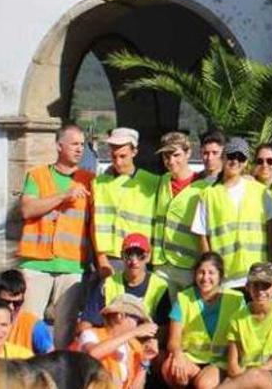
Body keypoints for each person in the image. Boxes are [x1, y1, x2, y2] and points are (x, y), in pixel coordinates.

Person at [16, 122, 93, 348]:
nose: (80, 149)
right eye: (74, 144)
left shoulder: (90, 180)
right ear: (59, 146)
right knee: (29, 324)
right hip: (36, 262)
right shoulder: (38, 176)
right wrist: (63, 196)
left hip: (72, 265)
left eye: (82, 145)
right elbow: (27, 209)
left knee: (66, 327)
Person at [194, 137, 272, 282]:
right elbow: (202, 236)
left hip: (257, 275)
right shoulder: (208, 194)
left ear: (246, 162)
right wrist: (211, 272)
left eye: (241, 158)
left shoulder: (261, 192)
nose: (235, 161)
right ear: (223, 158)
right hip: (225, 276)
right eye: (231, 156)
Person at [164, 252, 245, 389]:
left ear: (220, 275)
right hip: (193, 358)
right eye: (201, 272)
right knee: (169, 369)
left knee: (203, 384)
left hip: (222, 361)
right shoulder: (183, 298)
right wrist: (178, 355)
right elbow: (173, 339)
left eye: (211, 273)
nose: (205, 277)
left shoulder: (236, 299)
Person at [91, 127, 161, 278]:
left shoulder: (153, 183)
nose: (118, 162)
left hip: (139, 258)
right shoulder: (99, 183)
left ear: (134, 152)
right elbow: (93, 224)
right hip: (110, 258)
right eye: (113, 156)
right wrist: (101, 259)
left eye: (123, 156)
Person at [223, 262, 272, 387]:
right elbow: (233, 367)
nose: (260, 291)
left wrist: (260, 372)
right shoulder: (236, 319)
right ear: (247, 287)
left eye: (266, 286)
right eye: (255, 285)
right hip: (245, 374)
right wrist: (250, 376)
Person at [154, 131, 211, 297]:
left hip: (188, 266)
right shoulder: (161, 181)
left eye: (176, 155)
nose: (171, 161)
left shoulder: (203, 188)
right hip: (161, 264)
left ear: (188, 153)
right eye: (166, 155)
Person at [79, 233, 169, 334]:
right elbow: (85, 324)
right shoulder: (107, 284)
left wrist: (152, 340)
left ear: (148, 257)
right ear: (122, 256)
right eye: (128, 255)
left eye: (140, 255)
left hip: (144, 343)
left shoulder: (160, 286)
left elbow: (165, 330)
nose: (134, 261)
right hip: (112, 340)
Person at [74, 294, 157, 389]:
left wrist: (145, 362)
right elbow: (93, 353)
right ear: (120, 316)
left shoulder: (133, 345)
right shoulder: (91, 334)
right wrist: (134, 332)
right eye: (137, 320)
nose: (138, 325)